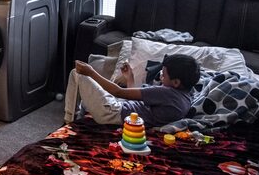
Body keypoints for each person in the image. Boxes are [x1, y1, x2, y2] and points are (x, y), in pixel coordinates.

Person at [63, 53, 200, 127]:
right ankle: (80, 117)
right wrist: (130, 78)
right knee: (91, 94)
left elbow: (118, 92)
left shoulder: (167, 94)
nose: (160, 76)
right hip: (120, 107)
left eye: (164, 74)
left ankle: (69, 119)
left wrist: (91, 72)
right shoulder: (185, 97)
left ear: (176, 82)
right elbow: (136, 101)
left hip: (111, 112)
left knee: (77, 73)